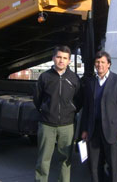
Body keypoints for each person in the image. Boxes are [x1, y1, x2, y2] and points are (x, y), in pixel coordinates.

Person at [33, 45, 82, 182]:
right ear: (53, 58)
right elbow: (37, 98)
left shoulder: (74, 78)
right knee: (44, 159)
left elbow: (79, 99)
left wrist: (70, 111)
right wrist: (45, 110)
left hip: (67, 125)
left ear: (69, 61)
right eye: (59, 57)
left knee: (65, 160)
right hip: (47, 124)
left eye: (65, 58)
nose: (61, 60)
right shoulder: (45, 77)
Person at [81, 50, 117, 182]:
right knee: (94, 166)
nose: (99, 65)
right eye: (97, 62)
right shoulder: (90, 83)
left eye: (102, 62)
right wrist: (84, 129)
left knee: (113, 165)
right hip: (93, 129)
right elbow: (87, 108)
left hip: (111, 131)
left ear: (109, 64)